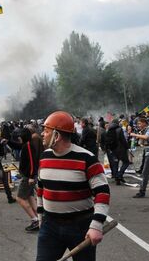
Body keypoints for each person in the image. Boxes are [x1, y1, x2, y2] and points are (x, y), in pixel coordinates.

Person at [36, 111, 110, 261]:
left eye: (46, 131)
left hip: (80, 227)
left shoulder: (87, 158)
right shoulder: (44, 157)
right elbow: (40, 189)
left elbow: (103, 193)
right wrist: (40, 217)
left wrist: (96, 225)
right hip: (50, 226)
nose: (42, 134)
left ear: (56, 136)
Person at [105, 121, 130, 185]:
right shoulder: (119, 129)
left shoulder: (108, 130)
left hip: (113, 150)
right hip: (120, 149)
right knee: (126, 162)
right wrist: (127, 147)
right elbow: (123, 140)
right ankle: (119, 175)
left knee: (115, 163)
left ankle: (117, 179)